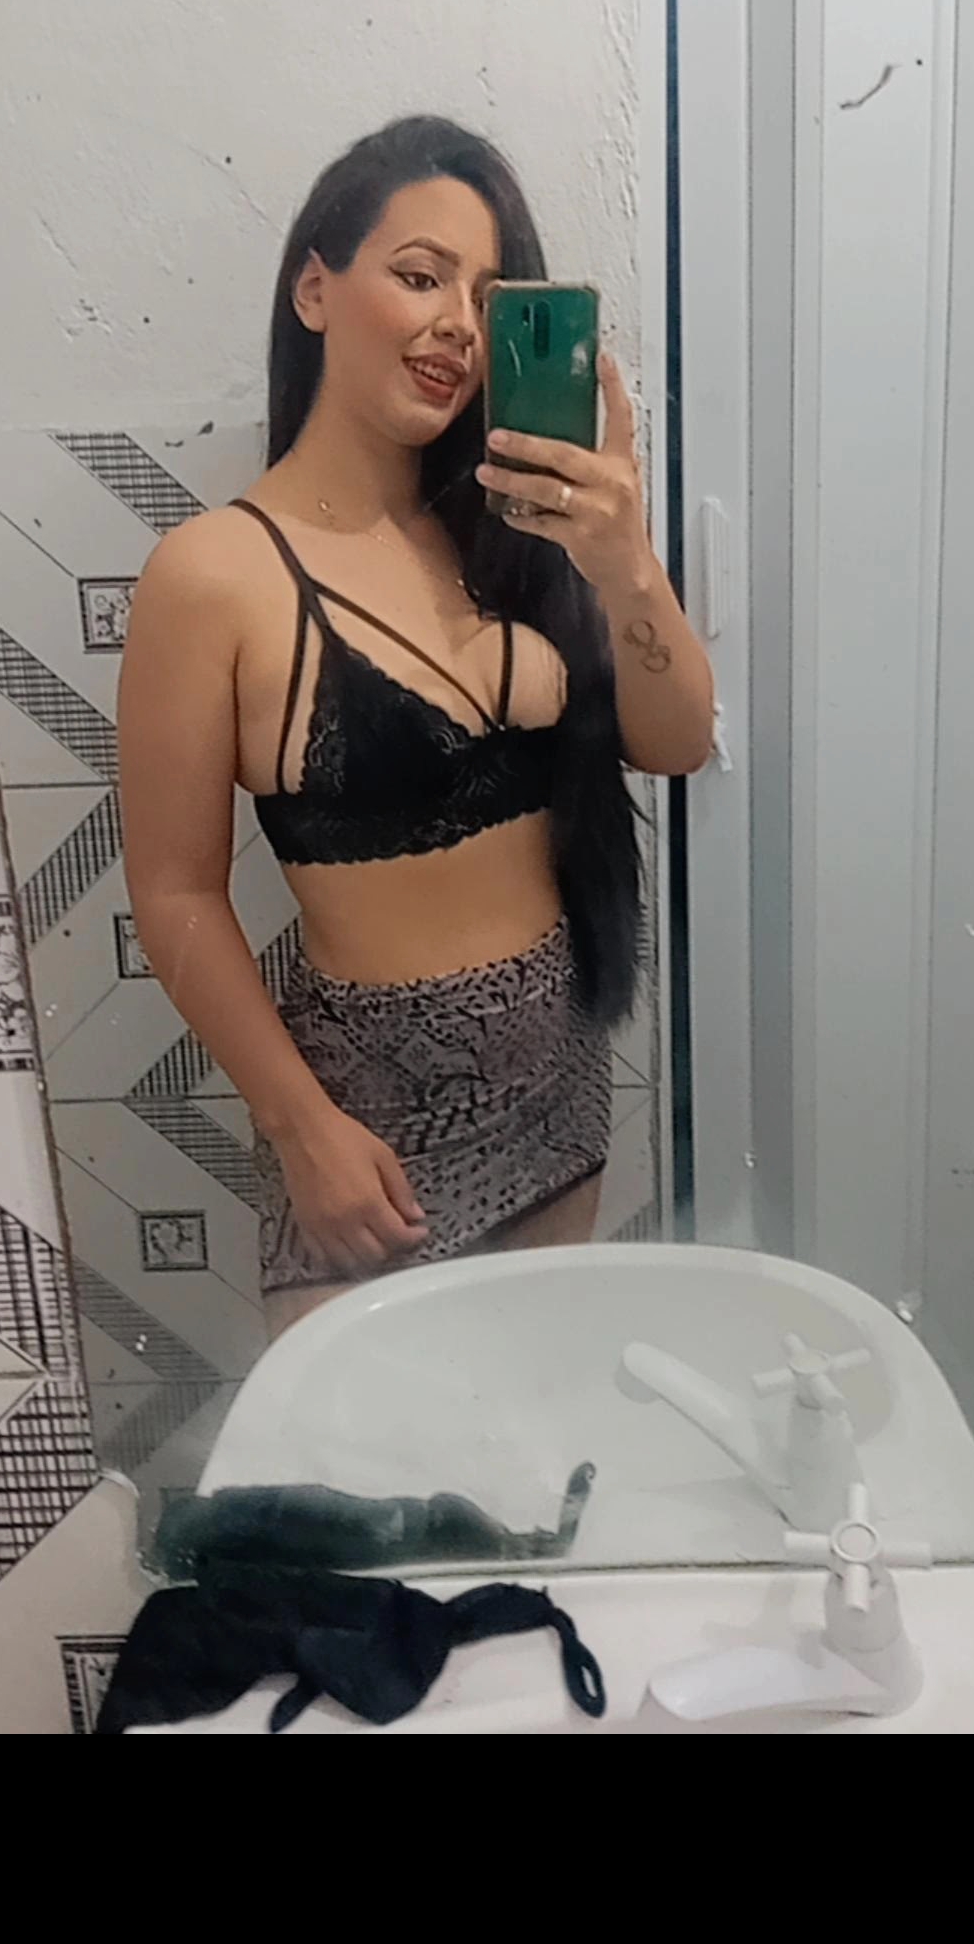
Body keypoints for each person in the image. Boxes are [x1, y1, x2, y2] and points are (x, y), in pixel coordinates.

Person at [119, 117, 713, 1338]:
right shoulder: (214, 574)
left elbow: (678, 743)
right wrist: (299, 1127)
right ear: (315, 289)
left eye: (488, 299)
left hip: (562, 1089)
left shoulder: (515, 536)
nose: (457, 325)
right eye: (420, 274)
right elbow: (173, 890)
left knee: (533, 1427)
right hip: (367, 1135)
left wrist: (627, 563)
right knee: (362, 1456)